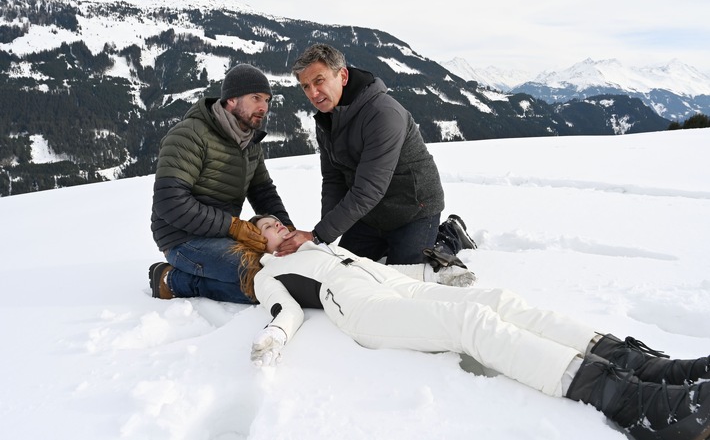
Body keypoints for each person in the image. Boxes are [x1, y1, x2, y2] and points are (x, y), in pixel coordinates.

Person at [245, 215, 710, 440]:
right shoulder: (269, 272)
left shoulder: (318, 244)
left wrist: (437, 275)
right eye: (268, 227)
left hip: (401, 291)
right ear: (256, 239)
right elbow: (286, 310)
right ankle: (632, 402)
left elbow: (387, 272)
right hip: (366, 313)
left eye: (281, 221)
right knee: (471, 321)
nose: (280, 228)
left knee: (499, 300)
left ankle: (648, 368)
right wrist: (274, 338)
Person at [279, 43, 464, 270]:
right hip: (371, 215)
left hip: (413, 209)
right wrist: (324, 236)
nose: (313, 93)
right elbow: (333, 179)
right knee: (342, 268)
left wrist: (319, 235)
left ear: (343, 76)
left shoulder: (382, 113)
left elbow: (369, 189)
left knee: (401, 276)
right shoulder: (327, 119)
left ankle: (449, 234)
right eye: (305, 86)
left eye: (319, 81)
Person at [147, 64, 296, 304]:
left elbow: (263, 192)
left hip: (220, 234)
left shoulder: (249, 141)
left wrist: (289, 231)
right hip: (182, 238)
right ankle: (171, 281)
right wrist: (233, 227)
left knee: (286, 263)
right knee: (262, 277)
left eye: (267, 100)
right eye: (256, 98)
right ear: (232, 100)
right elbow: (170, 203)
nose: (264, 107)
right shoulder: (189, 134)